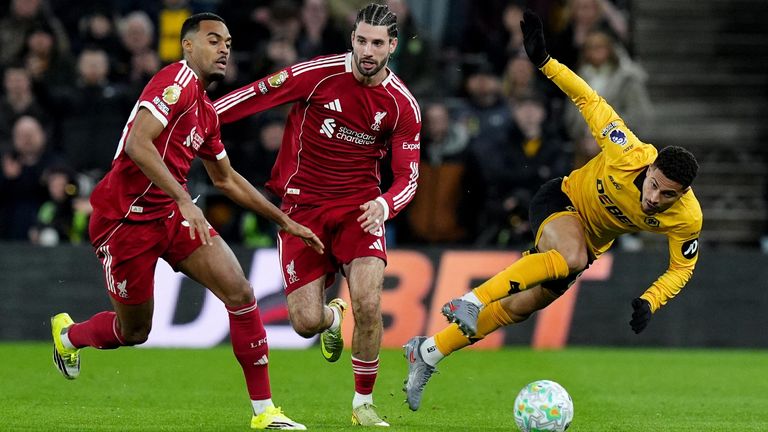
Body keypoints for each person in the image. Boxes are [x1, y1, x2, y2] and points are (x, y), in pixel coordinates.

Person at [403, 10, 702, 411]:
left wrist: (651, 300)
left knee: (518, 308)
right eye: (653, 185)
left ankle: (428, 353)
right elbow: (587, 97)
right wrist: (545, 61)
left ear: (681, 194)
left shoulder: (687, 216)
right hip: (560, 201)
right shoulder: (625, 149)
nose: (654, 199)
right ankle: (470, 300)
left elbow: (681, 267)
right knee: (570, 256)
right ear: (649, 168)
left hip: (590, 243)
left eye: (667, 195)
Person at [49, 13, 324, 430]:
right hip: (124, 222)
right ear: (188, 46)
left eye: (228, 41)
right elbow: (140, 143)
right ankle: (70, 336)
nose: (225, 48)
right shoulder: (173, 83)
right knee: (134, 331)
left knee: (240, 292)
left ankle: (265, 411)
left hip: (172, 216)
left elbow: (226, 179)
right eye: (214, 40)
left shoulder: (207, 112)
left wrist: (283, 220)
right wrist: (184, 198)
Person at [215, 3, 421, 426]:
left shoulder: (402, 106)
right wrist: (196, 119)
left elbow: (409, 177)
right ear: (352, 39)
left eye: (377, 43)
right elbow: (255, 96)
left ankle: (363, 404)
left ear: (392, 46)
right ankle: (332, 317)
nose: (367, 49)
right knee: (305, 323)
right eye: (361, 40)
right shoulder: (318, 74)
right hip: (301, 210)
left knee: (368, 301)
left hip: (359, 211)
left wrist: (384, 205)